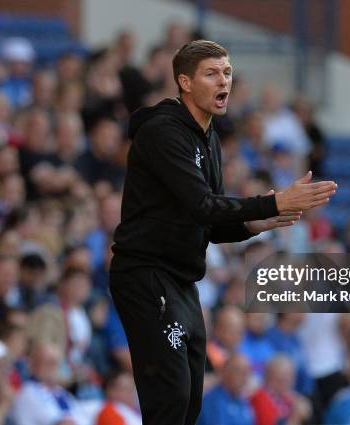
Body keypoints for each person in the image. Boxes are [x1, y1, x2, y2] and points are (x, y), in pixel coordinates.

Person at [109, 39, 337, 425]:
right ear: (185, 82)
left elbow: (209, 224)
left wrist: (254, 223)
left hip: (182, 282)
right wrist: (273, 203)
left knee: (190, 401)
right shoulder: (163, 132)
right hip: (146, 275)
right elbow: (201, 204)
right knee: (171, 397)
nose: (224, 82)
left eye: (228, 73)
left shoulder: (210, 138)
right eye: (212, 73)